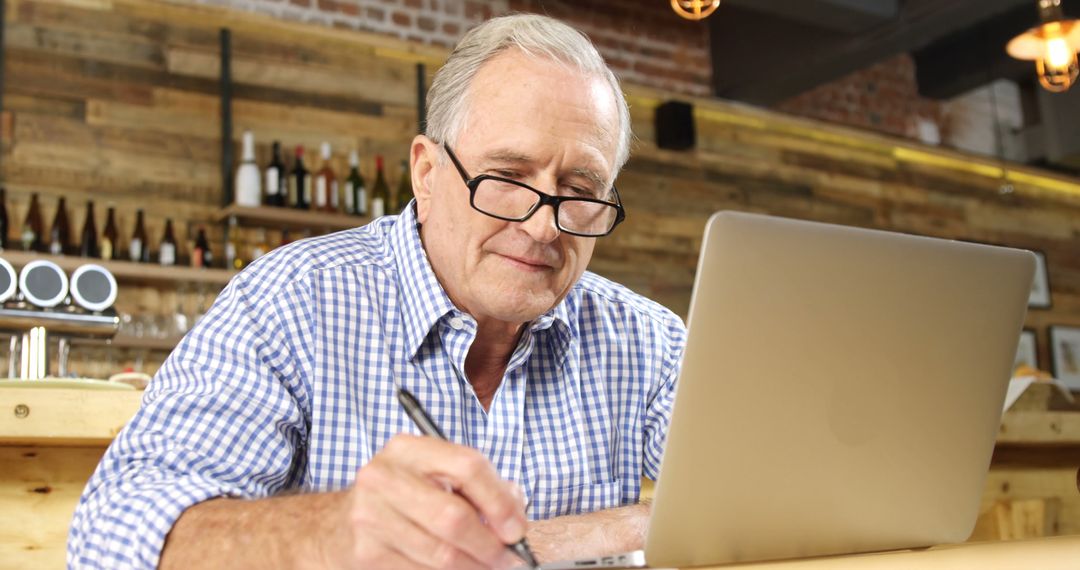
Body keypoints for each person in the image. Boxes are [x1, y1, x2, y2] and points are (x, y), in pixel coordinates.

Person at [68, 13, 686, 569]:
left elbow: (769, 498)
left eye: (580, 189)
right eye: (506, 177)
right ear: (426, 171)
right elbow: (110, 533)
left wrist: (540, 545)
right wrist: (325, 533)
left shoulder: (648, 339)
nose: (542, 225)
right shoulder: (292, 298)